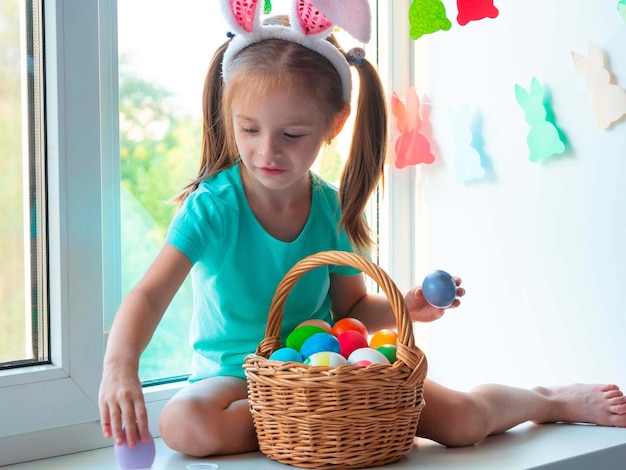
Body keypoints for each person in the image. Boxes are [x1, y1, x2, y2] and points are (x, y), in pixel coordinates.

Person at [98, 1, 626, 459]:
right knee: (183, 425)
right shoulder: (212, 208)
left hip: (330, 370)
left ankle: (550, 399)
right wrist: (120, 368)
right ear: (228, 114)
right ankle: (306, 428)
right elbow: (147, 296)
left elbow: (352, 310)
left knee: (463, 422)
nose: (266, 151)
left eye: (292, 134)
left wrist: (406, 301)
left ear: (335, 123)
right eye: (249, 129)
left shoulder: (329, 207)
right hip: (237, 380)